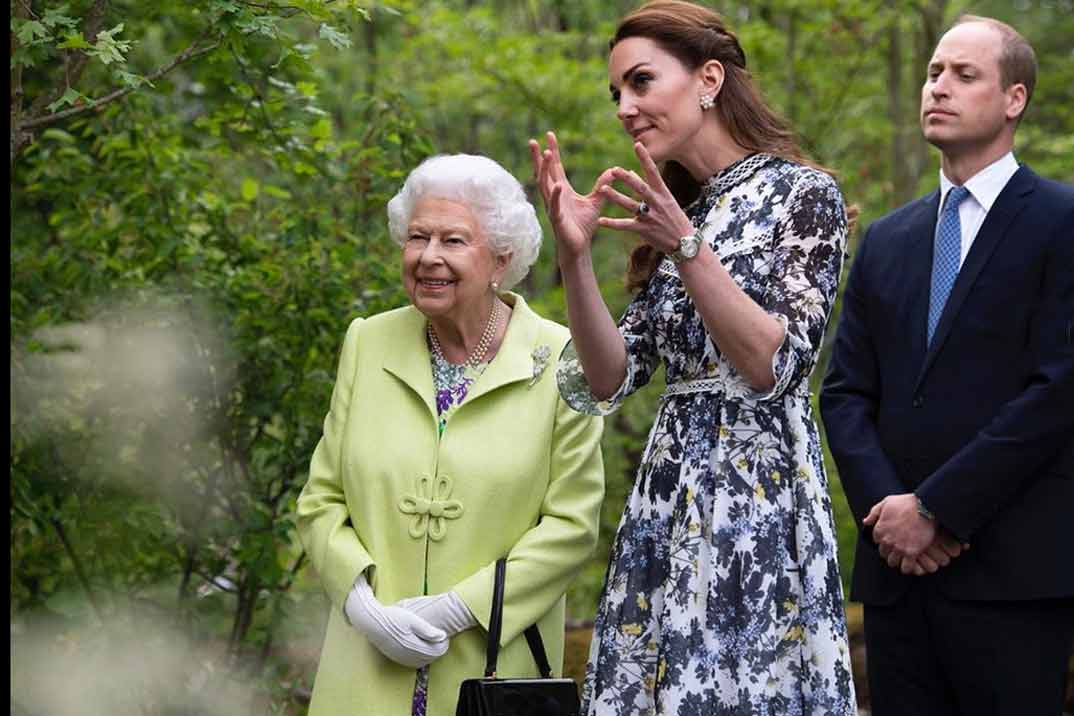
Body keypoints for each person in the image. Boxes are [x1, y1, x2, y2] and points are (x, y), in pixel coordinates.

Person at [529, 1, 857, 713]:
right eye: (616, 92)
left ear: (709, 79)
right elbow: (609, 377)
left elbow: (778, 363)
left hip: (758, 501)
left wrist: (688, 247)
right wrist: (575, 256)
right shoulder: (681, 211)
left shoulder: (804, 196)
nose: (625, 106)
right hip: (669, 496)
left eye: (641, 82)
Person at [820, 15, 1074, 716]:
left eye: (965, 75)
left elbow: (1059, 391)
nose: (939, 87)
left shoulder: (1060, 221)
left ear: (1014, 99)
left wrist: (939, 510)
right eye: (934, 72)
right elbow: (845, 394)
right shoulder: (886, 239)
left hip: (1013, 573)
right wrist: (890, 516)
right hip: (898, 576)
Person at [295, 153, 605, 716]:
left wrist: (460, 608)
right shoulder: (367, 342)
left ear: (501, 259)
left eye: (454, 241)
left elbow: (572, 525)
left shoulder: (561, 357)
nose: (428, 257)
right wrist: (362, 605)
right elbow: (321, 500)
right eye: (417, 238)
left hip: (490, 671)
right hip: (366, 667)